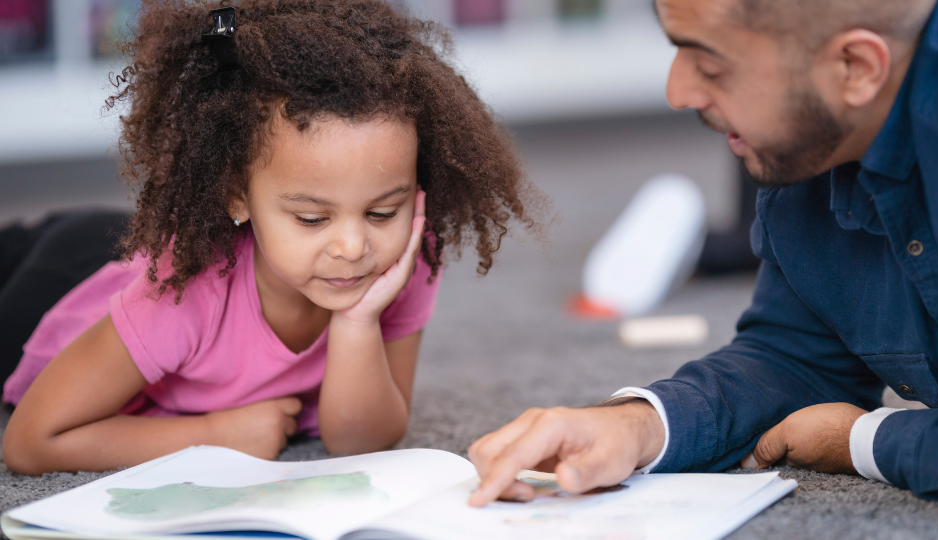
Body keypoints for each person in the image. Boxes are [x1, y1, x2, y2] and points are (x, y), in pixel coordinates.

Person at [1, 0, 541, 476]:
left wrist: (357, 322)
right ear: (236, 196)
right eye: (312, 219)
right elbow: (30, 442)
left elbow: (363, 442)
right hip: (62, 281)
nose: (354, 247)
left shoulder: (406, 258)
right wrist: (212, 436)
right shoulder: (181, 294)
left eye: (381, 211)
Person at [468, 0, 938, 506]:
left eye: (710, 65)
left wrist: (864, 441)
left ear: (855, 66)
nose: (677, 92)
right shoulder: (808, 149)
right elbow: (794, 356)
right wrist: (635, 426)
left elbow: (846, 424)